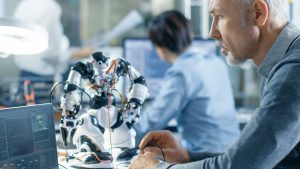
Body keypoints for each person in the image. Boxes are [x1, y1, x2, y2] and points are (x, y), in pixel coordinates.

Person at [129, 0, 300, 169]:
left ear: (258, 13)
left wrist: (157, 168)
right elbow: (276, 159)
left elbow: (239, 166)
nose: (212, 33)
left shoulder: (292, 73)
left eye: (220, 16)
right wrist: (186, 158)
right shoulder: (280, 66)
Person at [133, 10, 239, 153]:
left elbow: (149, 124)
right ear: (190, 35)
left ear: (160, 47)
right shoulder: (215, 61)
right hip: (233, 153)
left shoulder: (182, 73)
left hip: (206, 158)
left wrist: (116, 127)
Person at [13, 0, 93, 83]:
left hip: (23, 73)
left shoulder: (24, 4)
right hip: (42, 77)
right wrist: (76, 54)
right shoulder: (50, 7)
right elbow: (51, 52)